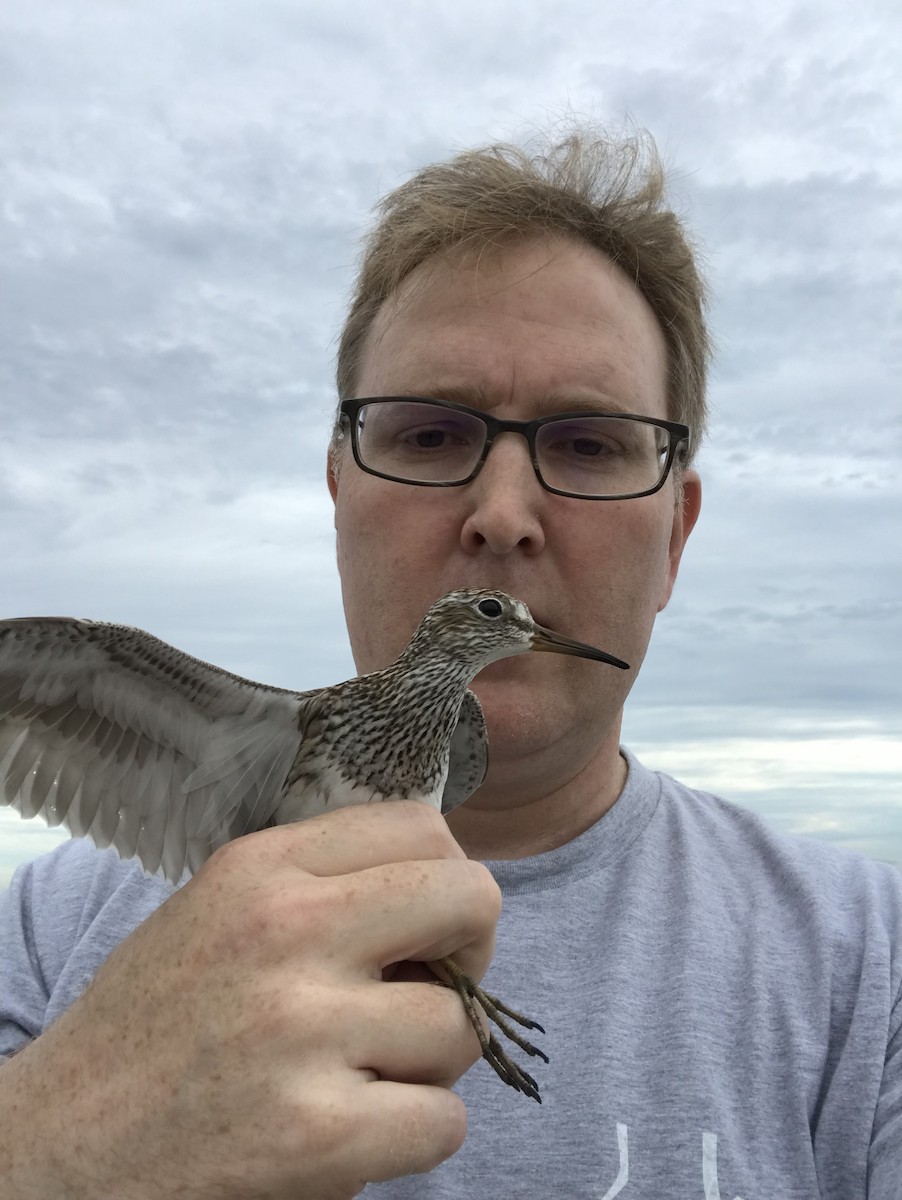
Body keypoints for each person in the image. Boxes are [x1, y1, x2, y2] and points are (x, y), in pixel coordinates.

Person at [1, 126, 900, 1199]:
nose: (504, 514)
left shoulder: (869, 962)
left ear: (675, 536)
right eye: (428, 434)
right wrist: (51, 1143)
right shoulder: (48, 933)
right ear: (339, 496)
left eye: (587, 442)